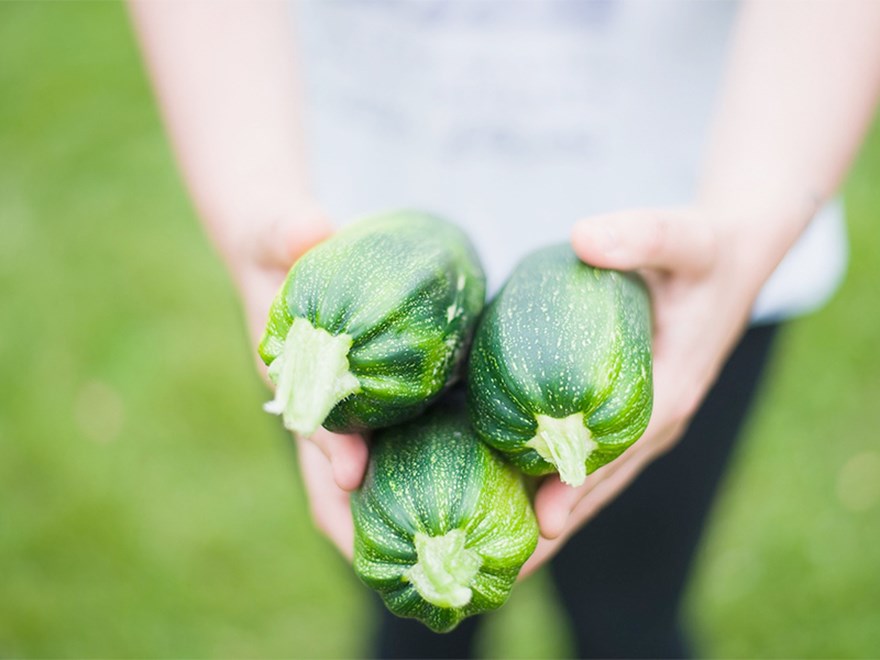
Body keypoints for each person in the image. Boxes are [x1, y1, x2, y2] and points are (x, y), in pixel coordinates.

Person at [129, 1, 880, 656]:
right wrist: (250, 202)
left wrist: (751, 231)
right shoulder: (321, 317)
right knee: (414, 620)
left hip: (692, 251)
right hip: (353, 243)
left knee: (631, 610)